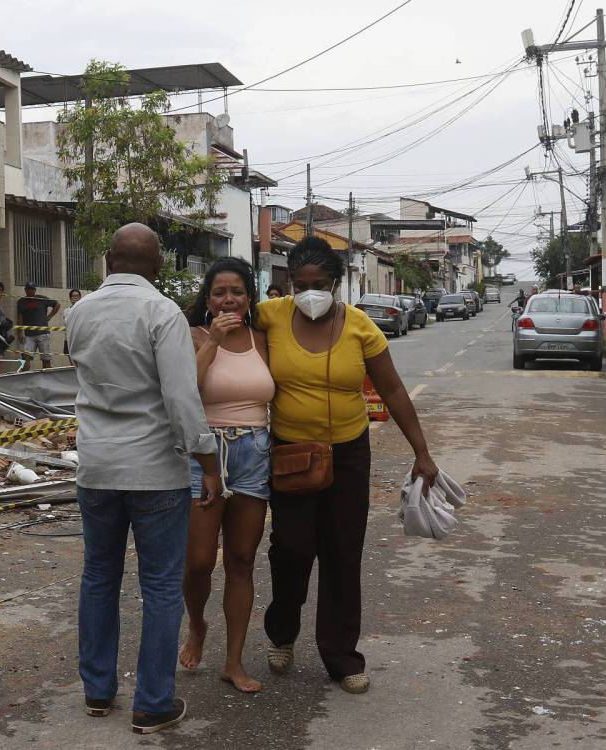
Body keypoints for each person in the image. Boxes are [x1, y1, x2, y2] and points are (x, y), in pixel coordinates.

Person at [254, 236, 439, 695]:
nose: (309, 293)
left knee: (342, 552)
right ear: (289, 285)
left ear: (337, 284)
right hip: (291, 452)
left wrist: (422, 451)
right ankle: (282, 633)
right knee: (291, 548)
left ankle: (341, 656)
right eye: (300, 284)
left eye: (319, 284)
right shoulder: (269, 317)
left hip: (349, 454)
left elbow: (393, 390)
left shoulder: (361, 327)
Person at [68, 223, 222, 735]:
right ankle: (153, 703)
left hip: (96, 467)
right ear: (159, 267)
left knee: (99, 575)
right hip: (154, 470)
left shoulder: (80, 311)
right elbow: (182, 399)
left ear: (109, 260)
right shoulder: (162, 312)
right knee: (158, 585)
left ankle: (97, 690)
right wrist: (208, 462)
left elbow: (86, 379)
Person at [178, 258, 274, 694]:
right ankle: (197, 624)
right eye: (219, 292)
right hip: (205, 453)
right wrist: (211, 343)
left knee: (241, 560)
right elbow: (186, 393)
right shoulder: (194, 335)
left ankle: (233, 662)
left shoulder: (262, 340)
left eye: (236, 292)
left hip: (254, 452)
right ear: (208, 299)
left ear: (249, 298)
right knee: (198, 560)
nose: (228, 299)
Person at [16, 283, 60, 369]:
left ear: (35, 290)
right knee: (25, 357)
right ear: (25, 290)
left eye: (32, 289)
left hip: (43, 334)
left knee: (46, 359)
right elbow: (20, 317)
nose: (30, 291)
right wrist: (19, 333)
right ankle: (25, 377)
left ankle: (47, 379)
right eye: (28, 289)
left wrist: (49, 317)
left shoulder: (41, 298)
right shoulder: (21, 301)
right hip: (28, 335)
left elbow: (57, 304)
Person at [63, 288, 83, 359]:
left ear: (80, 297)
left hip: (79, 338)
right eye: (73, 296)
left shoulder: (83, 309)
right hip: (68, 338)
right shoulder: (66, 311)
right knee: (70, 359)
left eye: (77, 296)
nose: (75, 298)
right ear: (70, 298)